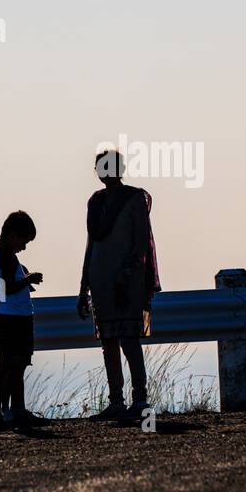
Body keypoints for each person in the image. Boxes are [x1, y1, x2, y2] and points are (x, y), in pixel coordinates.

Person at [78, 150, 161, 420]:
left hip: (128, 280)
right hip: (100, 279)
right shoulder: (95, 201)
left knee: (128, 339)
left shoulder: (135, 198)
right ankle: (116, 402)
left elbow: (140, 243)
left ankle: (140, 401)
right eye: (99, 166)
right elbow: (91, 245)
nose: (103, 171)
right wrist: (83, 287)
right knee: (109, 340)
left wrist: (127, 272)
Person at [0, 211, 46, 429]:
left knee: (15, 365)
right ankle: (4, 411)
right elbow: (8, 288)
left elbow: (0, 292)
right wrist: (28, 279)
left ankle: (9, 410)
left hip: (10, 316)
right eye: (24, 241)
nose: (24, 246)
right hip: (14, 318)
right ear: (12, 236)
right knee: (9, 365)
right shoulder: (4, 256)